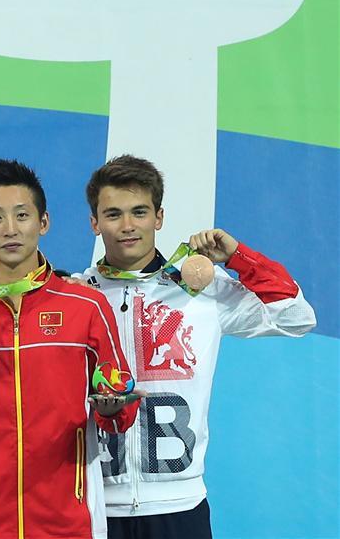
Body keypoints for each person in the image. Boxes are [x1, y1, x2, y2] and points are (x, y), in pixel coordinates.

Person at [81, 154, 317, 539]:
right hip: (97, 506)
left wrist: (239, 257)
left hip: (181, 505)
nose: (127, 226)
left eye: (139, 212)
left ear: (159, 217)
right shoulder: (76, 297)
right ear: (94, 222)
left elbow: (297, 317)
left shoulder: (201, 289)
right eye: (113, 214)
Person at [0, 159, 138, 539]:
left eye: (22, 215)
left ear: (43, 223)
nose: (10, 230)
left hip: (69, 522)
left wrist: (114, 407)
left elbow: (118, 409)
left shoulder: (85, 306)